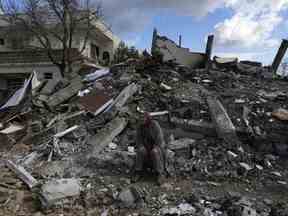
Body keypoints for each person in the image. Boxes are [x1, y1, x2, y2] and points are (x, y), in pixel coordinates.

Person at [133, 112, 166, 185]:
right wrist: (141, 145)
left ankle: (159, 173)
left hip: (157, 145)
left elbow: (159, 138)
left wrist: (156, 147)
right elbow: (138, 139)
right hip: (146, 146)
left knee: (155, 152)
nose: (141, 120)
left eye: (143, 118)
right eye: (140, 119)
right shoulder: (140, 127)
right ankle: (138, 171)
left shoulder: (155, 125)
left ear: (147, 118)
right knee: (140, 151)